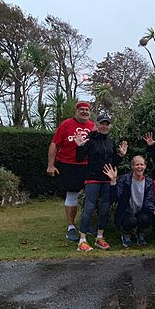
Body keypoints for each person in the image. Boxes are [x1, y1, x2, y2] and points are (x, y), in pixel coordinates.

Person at [74, 113, 128, 252]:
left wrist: (121, 155)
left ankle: (100, 237)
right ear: (96, 125)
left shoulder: (110, 142)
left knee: (105, 208)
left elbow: (113, 161)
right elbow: (79, 158)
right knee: (89, 208)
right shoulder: (90, 140)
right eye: (102, 124)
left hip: (106, 180)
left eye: (107, 124)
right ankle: (82, 240)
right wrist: (79, 146)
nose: (104, 126)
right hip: (92, 178)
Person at [46, 101, 95, 242]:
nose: (84, 112)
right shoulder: (66, 125)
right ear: (76, 111)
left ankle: (86, 225)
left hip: (87, 166)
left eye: (87, 110)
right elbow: (54, 144)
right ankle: (71, 228)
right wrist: (51, 165)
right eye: (81, 110)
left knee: (90, 195)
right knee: (72, 194)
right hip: (68, 164)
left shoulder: (92, 127)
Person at [103, 156, 155, 248]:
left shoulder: (149, 182)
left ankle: (140, 234)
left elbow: (148, 201)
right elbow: (116, 197)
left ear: (145, 166)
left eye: (141, 164)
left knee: (145, 219)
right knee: (131, 220)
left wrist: (154, 211)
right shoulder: (125, 179)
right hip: (126, 211)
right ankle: (126, 234)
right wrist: (113, 181)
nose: (139, 167)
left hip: (141, 210)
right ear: (132, 167)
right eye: (137, 164)